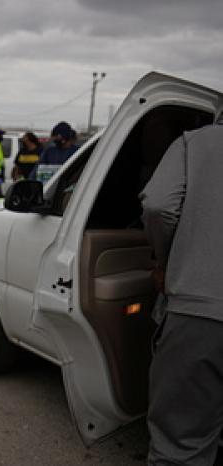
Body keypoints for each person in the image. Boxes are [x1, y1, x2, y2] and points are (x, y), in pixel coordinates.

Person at [141, 120, 223, 465]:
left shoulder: (194, 143)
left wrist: (164, 261)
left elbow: (159, 206)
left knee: (180, 444)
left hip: (202, 311)